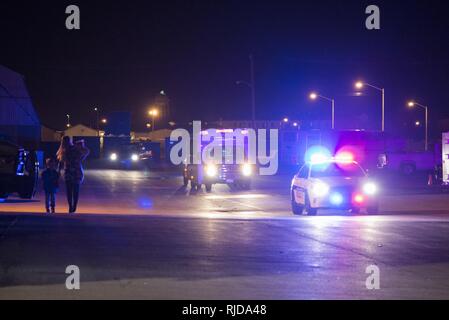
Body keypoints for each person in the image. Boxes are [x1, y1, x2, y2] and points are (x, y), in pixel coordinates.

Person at [56, 136, 90, 213]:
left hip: (76, 172)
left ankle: (73, 206)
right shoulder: (63, 150)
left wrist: (82, 147)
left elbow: (86, 152)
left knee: (75, 190)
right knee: (70, 190)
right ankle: (71, 206)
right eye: (65, 141)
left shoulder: (74, 148)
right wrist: (58, 172)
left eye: (67, 141)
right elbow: (61, 162)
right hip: (69, 172)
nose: (66, 143)